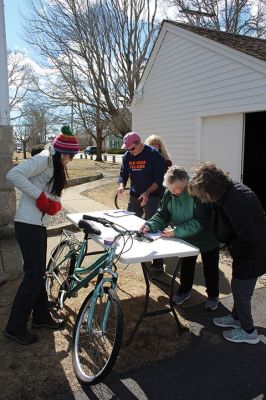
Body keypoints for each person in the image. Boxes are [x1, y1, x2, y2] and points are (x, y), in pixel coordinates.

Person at [4, 125, 80, 345]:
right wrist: (40, 198)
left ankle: (41, 317)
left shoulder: (54, 163)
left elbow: (48, 189)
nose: (72, 160)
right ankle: (15, 327)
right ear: (63, 152)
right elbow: (13, 174)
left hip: (37, 225)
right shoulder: (45, 159)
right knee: (33, 275)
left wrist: (54, 203)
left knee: (39, 273)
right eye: (71, 156)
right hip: (27, 224)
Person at [188, 162, 266, 344]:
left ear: (211, 187)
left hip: (252, 253)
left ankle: (249, 332)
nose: (203, 199)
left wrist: (231, 246)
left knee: (241, 292)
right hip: (247, 251)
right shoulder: (229, 193)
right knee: (239, 288)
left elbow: (249, 234)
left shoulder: (235, 200)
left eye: (203, 194)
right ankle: (236, 318)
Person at [140, 165, 220, 311]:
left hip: (207, 237)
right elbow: (163, 214)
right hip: (186, 236)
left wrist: (176, 232)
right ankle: (184, 291)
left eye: (174, 189)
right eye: (169, 189)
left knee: (211, 268)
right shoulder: (169, 192)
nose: (171, 192)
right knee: (187, 266)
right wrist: (150, 225)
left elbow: (200, 222)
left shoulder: (198, 193)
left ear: (184, 185)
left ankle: (213, 296)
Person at [117, 131, 165, 270]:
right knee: (131, 224)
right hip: (135, 195)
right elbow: (123, 174)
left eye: (131, 148)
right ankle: (137, 252)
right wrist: (121, 186)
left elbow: (159, 179)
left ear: (139, 143)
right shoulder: (127, 155)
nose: (130, 152)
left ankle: (158, 261)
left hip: (153, 196)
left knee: (153, 227)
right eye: (127, 149)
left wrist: (147, 192)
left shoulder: (154, 154)